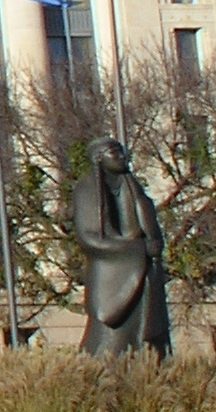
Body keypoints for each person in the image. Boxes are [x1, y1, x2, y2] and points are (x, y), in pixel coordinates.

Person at [72, 137, 171, 355]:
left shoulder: (132, 185)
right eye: (114, 152)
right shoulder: (86, 189)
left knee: (150, 337)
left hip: (145, 273)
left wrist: (153, 245)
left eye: (122, 151)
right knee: (112, 342)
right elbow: (89, 238)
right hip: (115, 277)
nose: (122, 157)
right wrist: (140, 249)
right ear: (98, 157)